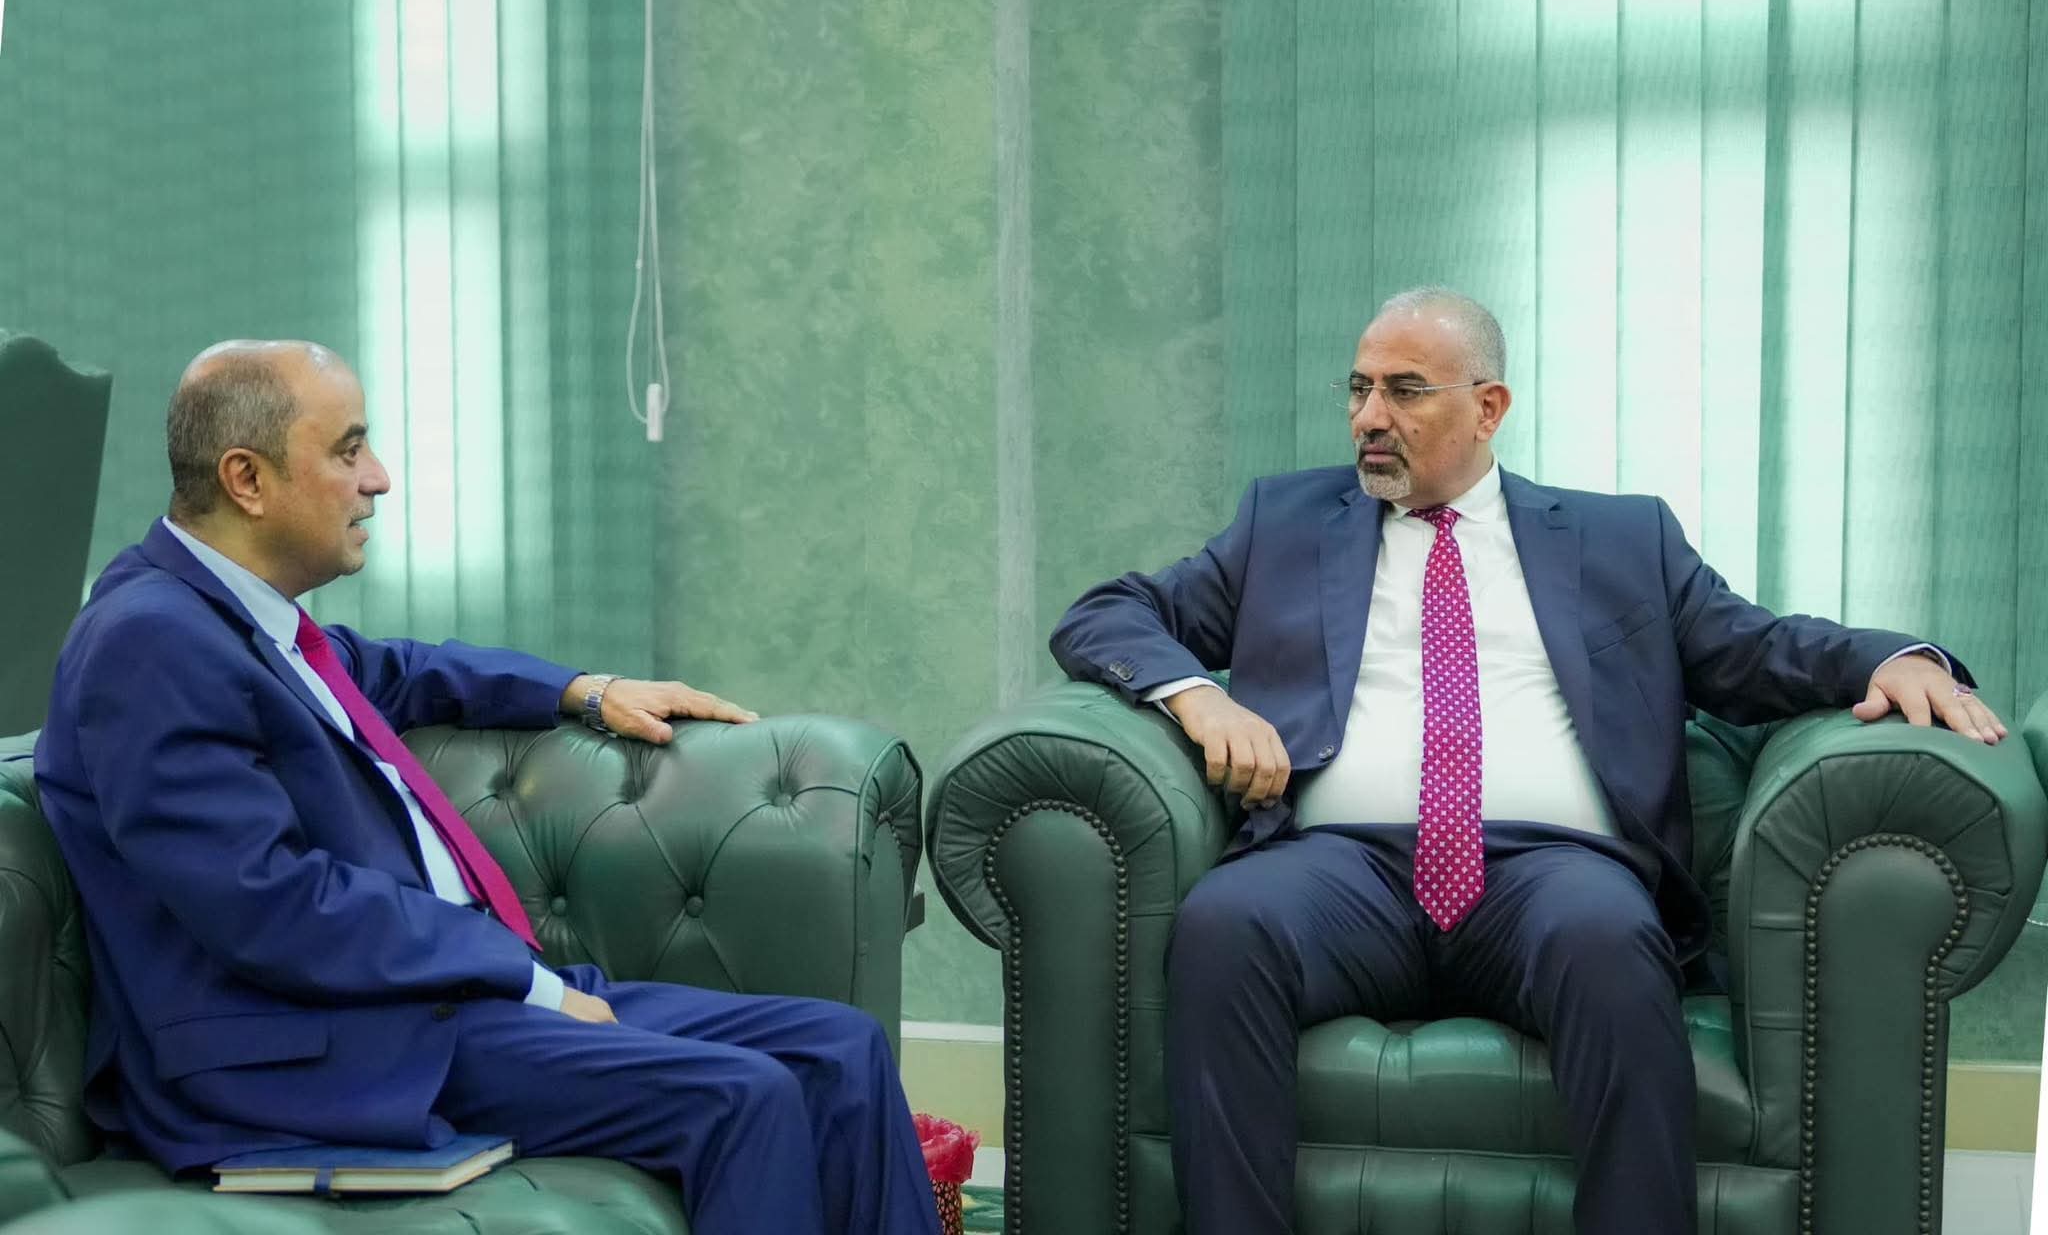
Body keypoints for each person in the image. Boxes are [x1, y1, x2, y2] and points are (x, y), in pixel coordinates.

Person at [1049, 287, 2005, 1235]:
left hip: (1550, 871)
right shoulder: (1285, 524)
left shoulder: (1620, 538)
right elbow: (1106, 614)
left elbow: (1757, 650)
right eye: (1359, 388)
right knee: (1225, 925)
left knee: (1611, 942)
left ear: (1488, 407)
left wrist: (1895, 658)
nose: (1369, 417)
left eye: (1405, 390)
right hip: (1340, 871)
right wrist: (1199, 695)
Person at [34, 340, 941, 1235]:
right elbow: (265, 902)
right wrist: (518, 976)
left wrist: (584, 689)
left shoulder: (240, 621)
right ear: (247, 479)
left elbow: (390, 669)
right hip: (315, 1048)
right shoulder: (149, 641)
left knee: (842, 1049)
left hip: (427, 1000)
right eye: (349, 450)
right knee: (743, 1095)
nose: (379, 479)